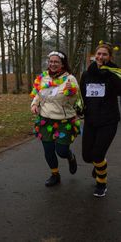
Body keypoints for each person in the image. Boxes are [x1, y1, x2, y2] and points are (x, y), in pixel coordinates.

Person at [30, 51, 80, 187]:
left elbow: (76, 100)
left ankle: (70, 156)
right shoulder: (42, 78)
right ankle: (55, 174)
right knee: (48, 150)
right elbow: (38, 95)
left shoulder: (70, 79)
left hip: (64, 120)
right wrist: (34, 104)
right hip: (45, 120)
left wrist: (71, 92)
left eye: (56, 62)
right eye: (51, 61)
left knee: (61, 151)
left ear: (62, 64)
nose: (52, 64)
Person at [80, 41, 121, 197]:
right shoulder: (87, 73)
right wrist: (79, 107)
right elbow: (82, 95)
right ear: (94, 56)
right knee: (87, 156)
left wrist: (112, 71)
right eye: (98, 54)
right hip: (91, 120)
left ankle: (101, 183)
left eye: (104, 54)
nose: (100, 56)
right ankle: (99, 164)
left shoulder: (114, 73)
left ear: (109, 57)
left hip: (108, 120)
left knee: (97, 155)